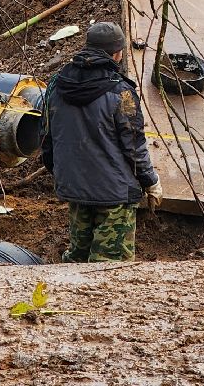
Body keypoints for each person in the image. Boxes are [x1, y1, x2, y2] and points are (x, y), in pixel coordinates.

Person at [40, 21, 162, 262]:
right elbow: (134, 147)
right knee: (110, 270)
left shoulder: (56, 84)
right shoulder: (122, 93)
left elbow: (46, 136)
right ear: (117, 53)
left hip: (75, 188)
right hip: (114, 194)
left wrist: (62, 173)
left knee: (77, 260)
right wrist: (150, 181)